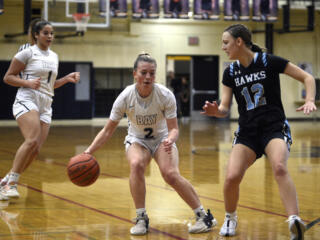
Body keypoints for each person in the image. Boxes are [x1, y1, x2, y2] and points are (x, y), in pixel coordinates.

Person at [201, 24, 316, 239]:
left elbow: (307, 78)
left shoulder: (268, 61)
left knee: (280, 168)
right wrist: (217, 111)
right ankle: (230, 217)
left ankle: (294, 221)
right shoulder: (230, 72)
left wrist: (310, 100)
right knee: (231, 177)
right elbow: (225, 109)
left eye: (226, 42)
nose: (223, 47)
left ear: (239, 42)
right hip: (247, 131)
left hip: (274, 127)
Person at [84, 53, 217, 235]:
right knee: (136, 164)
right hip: (137, 140)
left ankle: (204, 216)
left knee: (170, 174)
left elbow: (174, 129)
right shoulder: (125, 97)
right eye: (144, 72)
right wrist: (89, 151)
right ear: (135, 74)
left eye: (152, 73)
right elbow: (107, 130)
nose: (148, 77)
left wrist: (171, 139)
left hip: (162, 138)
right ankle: (141, 218)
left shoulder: (165, 95)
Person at [1, 20, 80, 199]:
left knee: (35, 149)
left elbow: (49, 86)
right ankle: (11, 184)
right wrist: (27, 82)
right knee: (31, 140)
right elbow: (8, 77)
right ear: (36, 35)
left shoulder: (54, 56)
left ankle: (6, 181)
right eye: (46, 33)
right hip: (27, 98)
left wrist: (66, 78)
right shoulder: (27, 52)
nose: (50, 36)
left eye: (52, 33)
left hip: (46, 103)